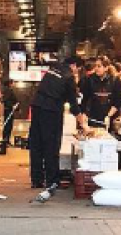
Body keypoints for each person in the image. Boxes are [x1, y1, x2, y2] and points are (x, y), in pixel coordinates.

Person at [29, 56, 82, 202]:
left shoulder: (54, 68)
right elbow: (73, 103)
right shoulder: (69, 77)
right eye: (77, 69)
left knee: (37, 143)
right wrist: (83, 122)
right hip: (51, 111)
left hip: (37, 106)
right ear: (74, 65)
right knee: (51, 145)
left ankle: (36, 179)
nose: (76, 72)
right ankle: (52, 181)